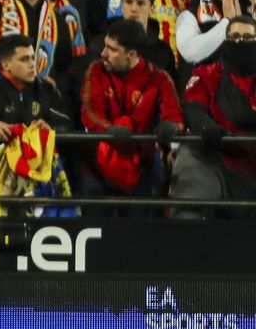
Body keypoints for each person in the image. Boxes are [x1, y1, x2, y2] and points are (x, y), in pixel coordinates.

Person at [78, 19, 183, 201]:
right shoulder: (96, 70)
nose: (103, 53)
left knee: (138, 226)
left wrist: (171, 127)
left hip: (142, 168)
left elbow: (174, 116)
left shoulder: (159, 79)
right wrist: (109, 130)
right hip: (96, 167)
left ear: (131, 54)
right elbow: (89, 112)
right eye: (105, 46)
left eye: (112, 49)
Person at [176, 14, 256, 218]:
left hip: (251, 161)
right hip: (216, 155)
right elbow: (194, 108)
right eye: (235, 37)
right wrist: (205, 127)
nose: (240, 42)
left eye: (247, 39)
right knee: (191, 158)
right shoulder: (206, 73)